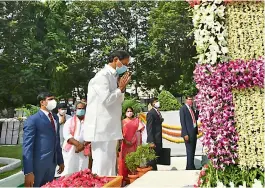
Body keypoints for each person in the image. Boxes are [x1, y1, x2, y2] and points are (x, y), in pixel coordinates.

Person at [83, 50, 131, 176]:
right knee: (101, 164)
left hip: (111, 127)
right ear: (116, 60)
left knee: (110, 164)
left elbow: (118, 100)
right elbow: (106, 100)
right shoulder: (101, 76)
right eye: (124, 64)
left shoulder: (114, 76)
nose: (126, 67)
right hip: (101, 129)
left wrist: (121, 89)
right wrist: (119, 89)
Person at [23, 92, 64, 187]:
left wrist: (60, 160)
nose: (53, 101)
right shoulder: (33, 120)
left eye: (54, 99)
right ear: (42, 102)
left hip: (52, 164)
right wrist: (28, 171)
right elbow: (27, 147)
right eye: (50, 99)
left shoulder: (55, 118)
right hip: (38, 165)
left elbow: (56, 141)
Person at [61, 102, 90, 176]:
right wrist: (78, 145)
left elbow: (91, 135)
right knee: (69, 171)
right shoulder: (69, 121)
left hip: (83, 149)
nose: (81, 110)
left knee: (82, 172)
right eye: (79, 108)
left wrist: (82, 145)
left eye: (83, 108)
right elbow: (67, 135)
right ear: (75, 110)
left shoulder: (89, 122)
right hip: (71, 149)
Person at [118, 107, 144, 184]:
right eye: (128, 111)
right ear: (125, 112)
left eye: (131, 111)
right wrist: (125, 141)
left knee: (133, 160)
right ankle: (124, 179)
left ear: (133, 112)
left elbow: (139, 132)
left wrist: (134, 140)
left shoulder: (137, 121)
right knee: (124, 162)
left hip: (134, 144)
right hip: (124, 145)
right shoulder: (122, 122)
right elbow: (120, 133)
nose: (129, 112)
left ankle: (133, 178)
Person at [179, 96, 199, 170]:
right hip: (188, 133)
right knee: (189, 150)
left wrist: (197, 109)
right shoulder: (183, 109)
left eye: (192, 99)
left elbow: (196, 118)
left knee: (193, 150)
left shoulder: (192, 108)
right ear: (186, 100)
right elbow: (182, 122)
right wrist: (185, 134)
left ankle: (191, 166)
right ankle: (190, 167)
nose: (191, 100)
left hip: (193, 132)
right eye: (189, 99)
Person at [146, 97, 163, 171]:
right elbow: (149, 128)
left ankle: (155, 170)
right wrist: (151, 141)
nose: (158, 102)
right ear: (152, 103)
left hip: (158, 137)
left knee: (157, 157)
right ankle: (152, 171)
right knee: (152, 158)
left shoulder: (157, 111)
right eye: (156, 101)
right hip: (154, 139)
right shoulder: (151, 113)